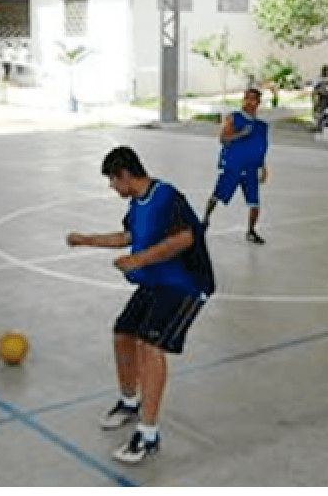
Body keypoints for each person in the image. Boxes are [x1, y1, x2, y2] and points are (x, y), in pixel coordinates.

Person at [66, 146, 214, 464]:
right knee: (123, 333)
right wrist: (85, 240)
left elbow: (184, 239)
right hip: (156, 281)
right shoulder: (137, 202)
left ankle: (148, 436)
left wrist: (139, 259)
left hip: (185, 283)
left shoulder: (166, 196)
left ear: (125, 175)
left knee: (150, 344)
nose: (111, 187)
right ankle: (129, 402)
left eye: (111, 180)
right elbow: (127, 236)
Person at [202, 88, 269, 244]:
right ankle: (205, 219)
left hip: (251, 167)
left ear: (259, 102)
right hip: (233, 165)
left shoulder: (261, 126)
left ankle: (251, 230)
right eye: (247, 98)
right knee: (217, 194)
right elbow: (223, 139)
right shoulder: (234, 118)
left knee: (254, 201)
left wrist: (263, 167)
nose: (250, 102)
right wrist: (239, 134)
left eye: (254, 99)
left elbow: (261, 148)